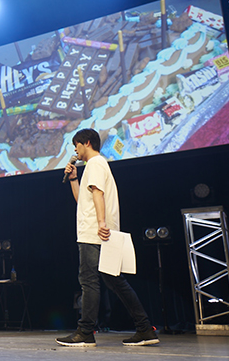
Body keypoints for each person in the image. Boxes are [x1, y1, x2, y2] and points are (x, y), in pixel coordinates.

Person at [56, 128, 159, 347]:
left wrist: (101, 222)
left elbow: (98, 193)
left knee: (88, 280)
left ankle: (85, 332)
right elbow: (83, 202)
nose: (75, 150)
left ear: (87, 142)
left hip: (94, 232)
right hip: (102, 232)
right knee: (115, 281)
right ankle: (145, 329)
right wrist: (73, 180)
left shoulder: (94, 163)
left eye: (76, 144)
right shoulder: (97, 165)